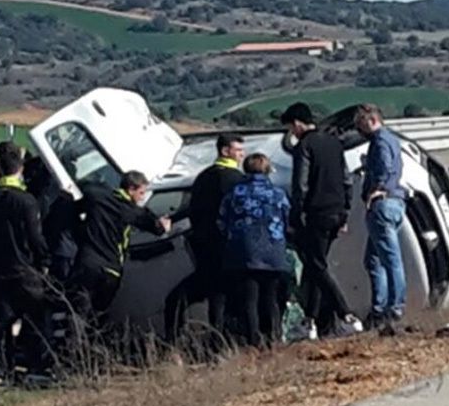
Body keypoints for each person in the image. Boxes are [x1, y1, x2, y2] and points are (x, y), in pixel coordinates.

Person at [0, 148, 70, 373]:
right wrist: (45, 260)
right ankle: (38, 366)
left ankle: (1, 362)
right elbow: (34, 236)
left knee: (2, 319)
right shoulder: (25, 200)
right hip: (24, 268)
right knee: (37, 316)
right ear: (20, 170)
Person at [282, 102, 362, 339]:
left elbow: (301, 185)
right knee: (317, 267)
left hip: (316, 214)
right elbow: (346, 180)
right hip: (337, 212)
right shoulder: (334, 144)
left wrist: (296, 215)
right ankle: (310, 322)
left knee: (316, 265)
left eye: (290, 128)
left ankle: (346, 314)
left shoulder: (304, 147)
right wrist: (346, 211)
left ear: (297, 123)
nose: (292, 133)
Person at [68, 172, 171, 340]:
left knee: (77, 313)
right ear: (131, 189)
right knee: (98, 315)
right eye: (141, 193)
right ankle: (90, 352)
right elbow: (157, 228)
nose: (142, 198)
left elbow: (79, 202)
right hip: (110, 270)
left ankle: (72, 351)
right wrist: (164, 226)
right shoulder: (131, 210)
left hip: (86, 263)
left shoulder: (97, 197)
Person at [218, 153, 290, 348]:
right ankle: (274, 338)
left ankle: (253, 340)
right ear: (267, 170)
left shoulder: (234, 194)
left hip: (244, 252)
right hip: (273, 251)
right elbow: (287, 221)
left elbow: (222, 223)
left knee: (250, 298)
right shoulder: (278, 194)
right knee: (271, 298)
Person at [179, 133, 245, 342]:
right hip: (226, 245)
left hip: (202, 244)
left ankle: (217, 339)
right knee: (225, 295)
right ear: (225, 151)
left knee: (213, 292)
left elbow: (191, 209)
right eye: (238, 151)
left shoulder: (203, 177)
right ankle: (226, 339)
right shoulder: (235, 179)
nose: (242, 155)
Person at [354, 103, 408, 334]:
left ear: (371, 120)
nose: (358, 129)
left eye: (360, 123)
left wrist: (379, 188)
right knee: (374, 260)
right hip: (395, 204)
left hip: (383, 205)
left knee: (389, 260)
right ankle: (380, 307)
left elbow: (386, 168)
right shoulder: (392, 140)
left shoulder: (380, 141)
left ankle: (393, 307)